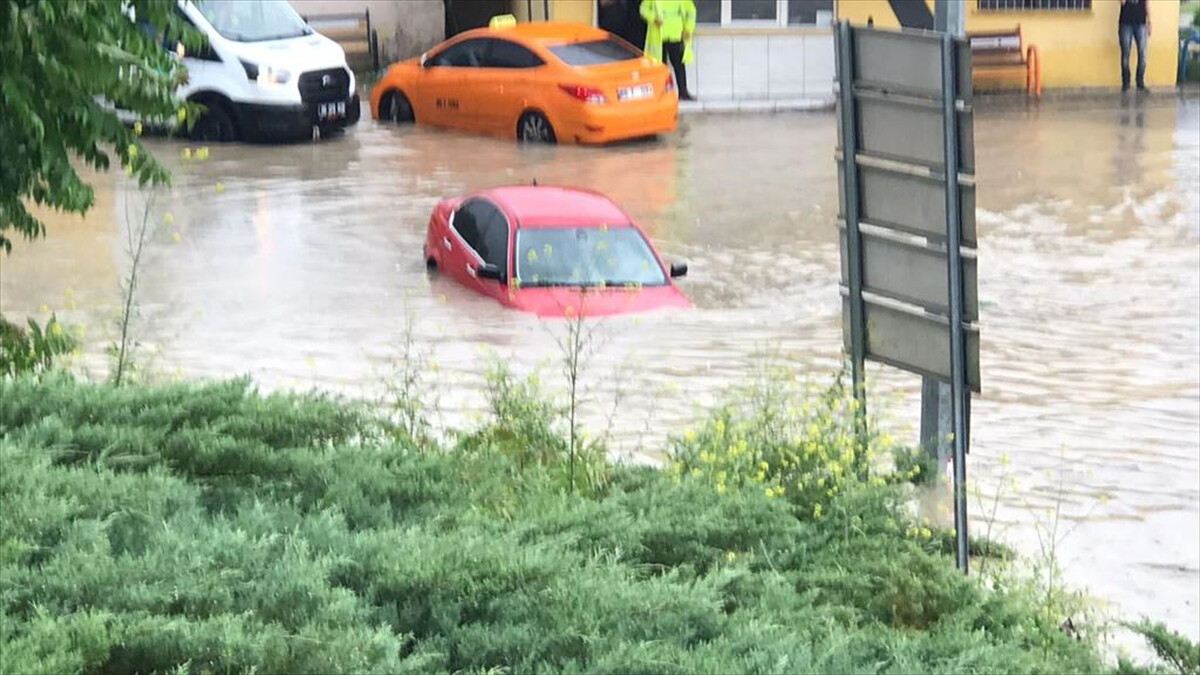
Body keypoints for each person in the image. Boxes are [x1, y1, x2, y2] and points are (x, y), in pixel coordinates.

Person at [640, 0, 696, 101]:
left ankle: (683, 92)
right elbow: (643, 9)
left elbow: (691, 11)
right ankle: (661, 94)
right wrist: (654, 18)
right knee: (660, 68)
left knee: (679, 65)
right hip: (659, 37)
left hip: (676, 35)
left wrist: (688, 28)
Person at [1118, 0, 1152, 92]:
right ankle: (1126, 83)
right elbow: (1122, 2)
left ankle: (1140, 83)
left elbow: (1147, 3)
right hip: (1126, 23)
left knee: (1143, 55)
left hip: (1141, 23)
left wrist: (1149, 21)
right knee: (1125, 54)